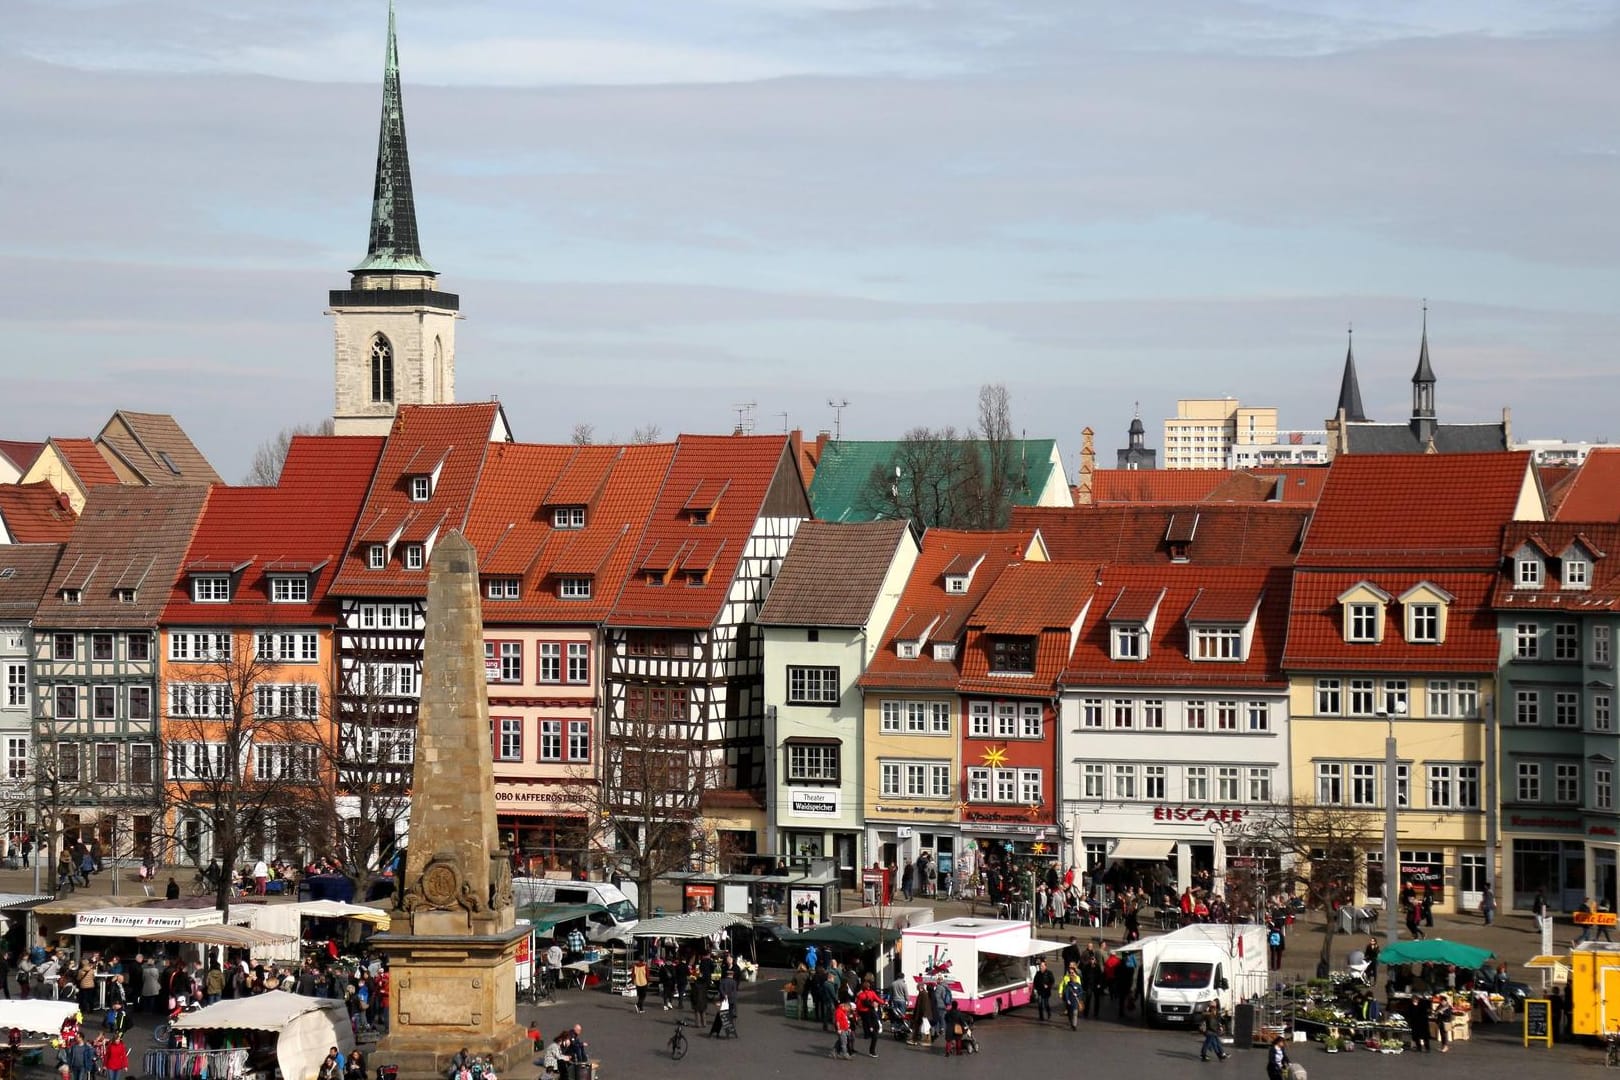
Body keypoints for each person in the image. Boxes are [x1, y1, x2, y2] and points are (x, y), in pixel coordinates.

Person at [854, 977, 883, 1058]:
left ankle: (867, 1033)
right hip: (870, 1012)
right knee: (874, 1029)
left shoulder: (860, 995)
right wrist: (884, 1002)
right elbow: (879, 1000)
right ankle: (872, 1050)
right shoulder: (871, 993)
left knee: (867, 1025)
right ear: (869, 987)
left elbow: (857, 1006)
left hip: (863, 1013)